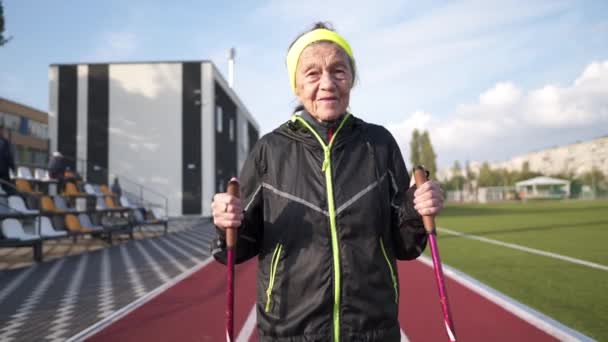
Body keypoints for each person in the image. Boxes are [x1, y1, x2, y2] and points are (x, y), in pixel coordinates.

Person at [211, 22, 444, 342]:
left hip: (372, 331)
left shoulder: (379, 143)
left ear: (352, 79)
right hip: (287, 332)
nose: (327, 83)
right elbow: (236, 250)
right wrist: (226, 222)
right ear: (296, 85)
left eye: (339, 70)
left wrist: (418, 210)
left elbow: (405, 246)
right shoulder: (269, 150)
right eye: (312, 73)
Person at [0, 128, 16, 195]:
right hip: (3, 170)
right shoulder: (5, 142)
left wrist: (13, 168)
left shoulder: (6, 142)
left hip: (4, 170)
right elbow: (9, 156)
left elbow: (9, 156)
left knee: (7, 189)